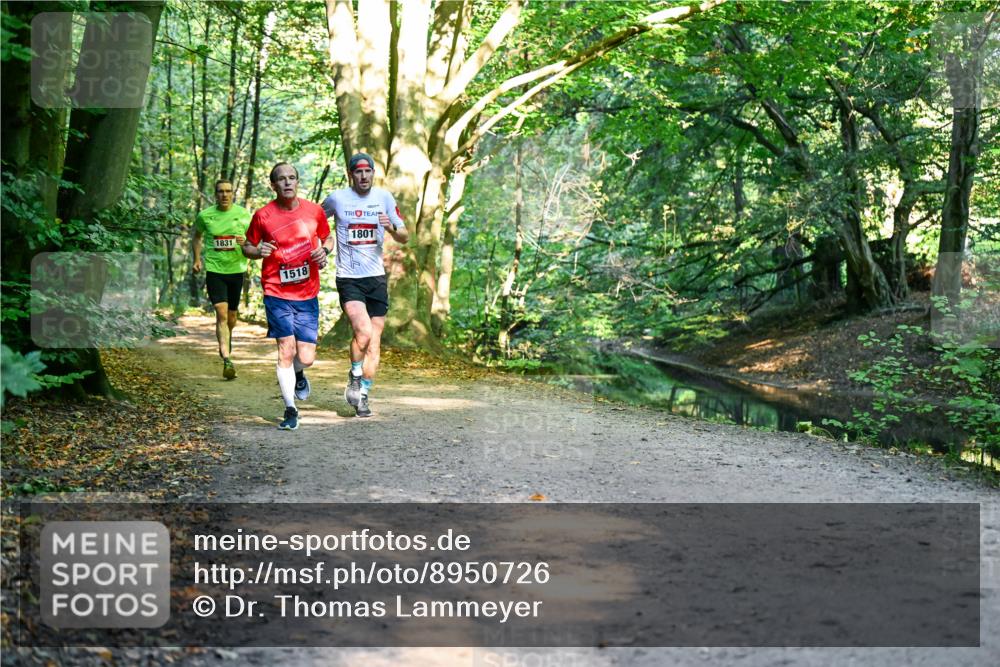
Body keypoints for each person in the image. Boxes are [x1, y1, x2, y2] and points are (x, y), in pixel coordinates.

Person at [243, 163, 333, 430]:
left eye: (291, 178)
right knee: (286, 349)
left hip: (306, 293)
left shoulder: (314, 211)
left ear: (297, 181)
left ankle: (298, 373)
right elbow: (247, 246)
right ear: (273, 185)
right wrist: (258, 251)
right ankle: (290, 409)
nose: (287, 183)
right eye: (281, 179)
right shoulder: (263, 216)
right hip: (276, 291)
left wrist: (324, 252)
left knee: (305, 357)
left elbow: (328, 239)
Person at [322, 153, 409, 418]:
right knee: (363, 331)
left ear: (373, 173)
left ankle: (363, 394)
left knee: (374, 342)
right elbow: (314, 220)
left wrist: (392, 229)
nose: (363, 176)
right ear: (351, 174)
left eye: (367, 172)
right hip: (349, 278)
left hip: (376, 279)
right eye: (358, 172)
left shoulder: (384, 198)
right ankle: (355, 375)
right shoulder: (337, 199)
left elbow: (405, 236)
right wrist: (323, 246)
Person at [193, 179, 251, 380]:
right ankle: (226, 358)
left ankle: (227, 337)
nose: (224, 195)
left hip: (237, 270)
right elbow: (197, 236)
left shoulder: (244, 215)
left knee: (232, 317)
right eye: (220, 191)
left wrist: (247, 242)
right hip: (215, 271)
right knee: (221, 313)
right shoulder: (205, 216)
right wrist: (197, 259)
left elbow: (254, 241)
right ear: (215, 194)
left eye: (228, 191)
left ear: (233, 193)